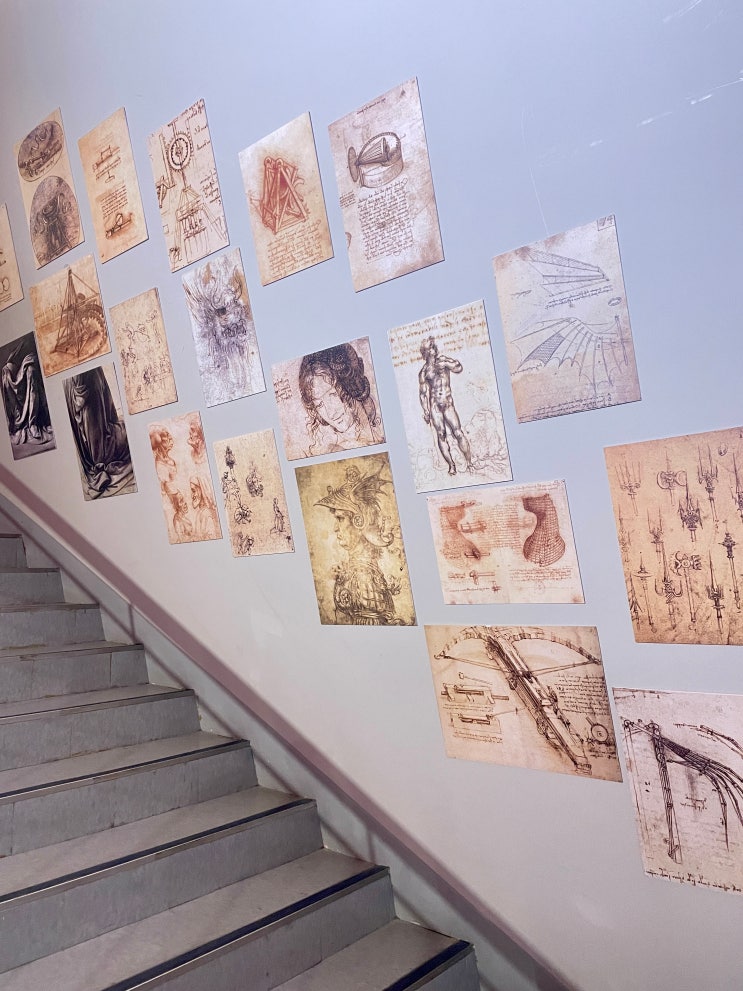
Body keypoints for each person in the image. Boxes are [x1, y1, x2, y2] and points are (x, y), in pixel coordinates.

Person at [316, 464, 402, 625]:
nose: (335, 528)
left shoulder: (363, 574)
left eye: (340, 519)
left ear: (358, 521)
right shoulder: (357, 569)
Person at [298, 343, 382, 456]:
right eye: (319, 405)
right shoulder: (333, 453)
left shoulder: (380, 434)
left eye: (332, 394)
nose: (331, 413)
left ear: (348, 387)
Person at [64, 367, 134, 498]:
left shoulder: (78, 381)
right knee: (128, 432)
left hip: (84, 385)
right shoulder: (87, 381)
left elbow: (109, 412)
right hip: (100, 445)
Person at [418, 336, 473, 476]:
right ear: (425, 352)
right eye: (431, 347)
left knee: (458, 432)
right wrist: (426, 411)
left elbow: (459, 368)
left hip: (448, 404)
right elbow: (423, 394)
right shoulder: (424, 372)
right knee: (441, 435)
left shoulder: (443, 361)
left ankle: (469, 462)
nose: (434, 349)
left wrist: (449, 363)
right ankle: (451, 465)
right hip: (435, 406)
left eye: (433, 346)